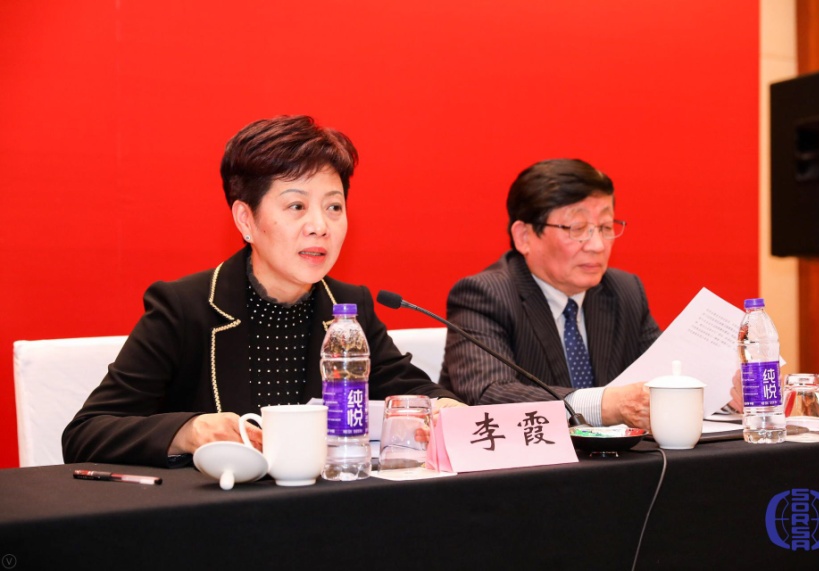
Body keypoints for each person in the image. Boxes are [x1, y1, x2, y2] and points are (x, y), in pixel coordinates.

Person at [62, 115, 462, 467]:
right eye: (296, 206)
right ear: (246, 220)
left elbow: (413, 391)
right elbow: (86, 433)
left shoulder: (347, 306)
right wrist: (187, 432)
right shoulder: (184, 308)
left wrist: (443, 408)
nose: (320, 226)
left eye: (334, 207)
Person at [438, 158, 660, 429]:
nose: (598, 245)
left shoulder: (625, 291)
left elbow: (663, 377)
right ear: (524, 236)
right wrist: (605, 406)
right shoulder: (485, 296)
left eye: (605, 227)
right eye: (578, 228)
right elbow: (488, 395)